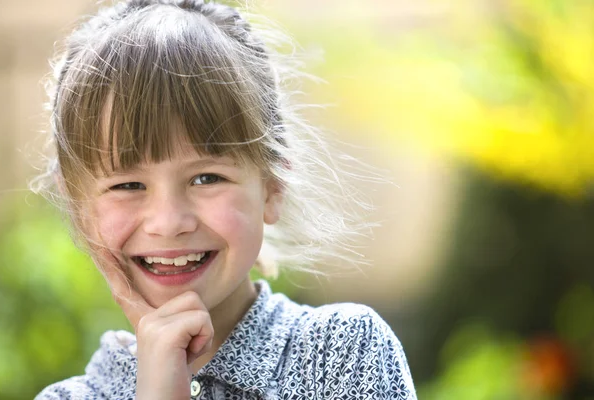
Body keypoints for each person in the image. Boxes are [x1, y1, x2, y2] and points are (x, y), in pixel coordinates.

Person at [33, 0, 417, 398]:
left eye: (206, 177)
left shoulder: (339, 352)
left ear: (272, 186)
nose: (168, 221)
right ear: (79, 207)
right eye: (128, 185)